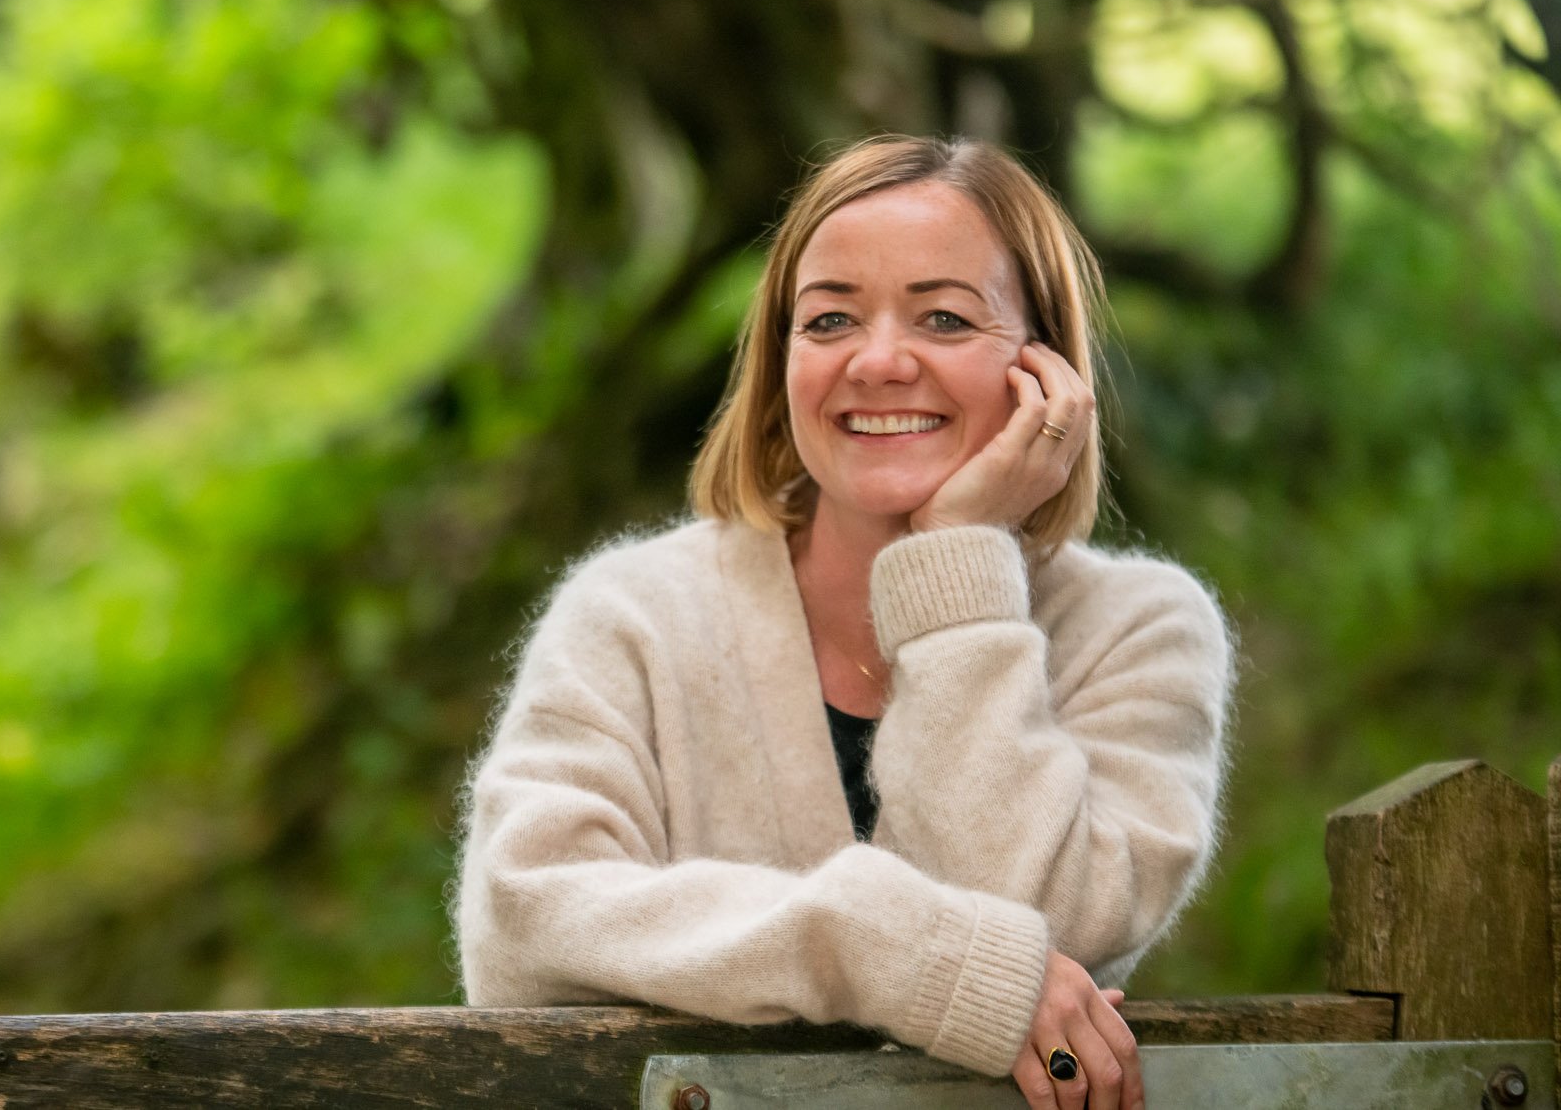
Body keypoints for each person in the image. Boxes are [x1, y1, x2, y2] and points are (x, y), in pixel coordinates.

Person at [453, 135, 1232, 1110]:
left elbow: (1045, 919)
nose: (875, 361)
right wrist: (885, 947)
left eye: (943, 317)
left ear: (1046, 371)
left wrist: (955, 562)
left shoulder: (1139, 629)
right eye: (827, 320)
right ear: (783, 363)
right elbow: (524, 921)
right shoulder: (632, 615)